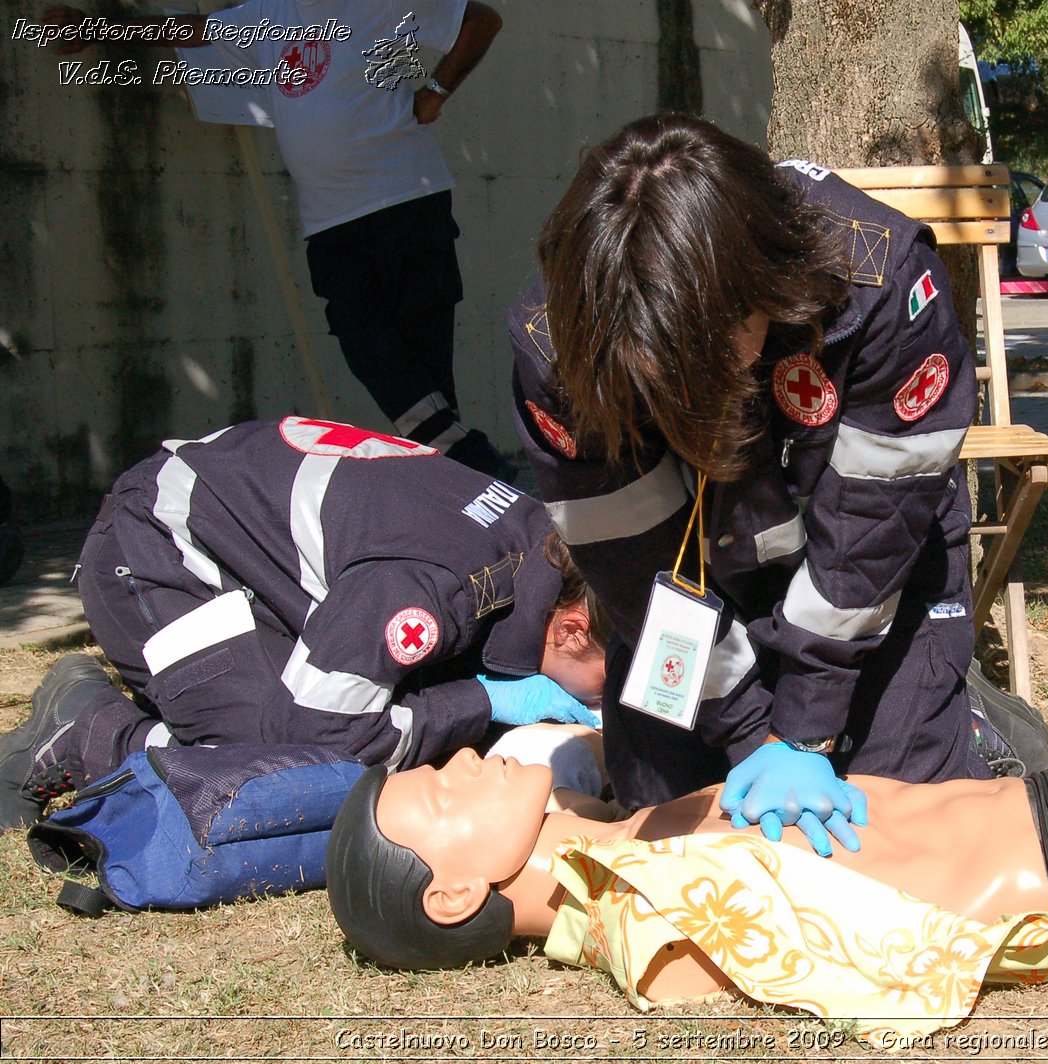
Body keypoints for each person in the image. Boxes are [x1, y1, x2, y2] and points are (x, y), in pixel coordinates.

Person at [509, 113, 989, 855]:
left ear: (763, 288)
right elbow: (632, 558)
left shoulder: (882, 280)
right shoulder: (560, 338)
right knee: (673, 830)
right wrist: (743, 727)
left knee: (888, 834)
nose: (676, 393)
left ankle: (976, 721)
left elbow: (870, 531)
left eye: (700, 362)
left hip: (867, 579)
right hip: (693, 583)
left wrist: (801, 736)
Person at [0, 417, 608, 830]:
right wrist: (478, 700)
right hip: (158, 548)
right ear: (574, 628)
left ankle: (203, 694)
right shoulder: (434, 588)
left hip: (245, 543)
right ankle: (89, 731)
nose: (608, 701)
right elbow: (320, 735)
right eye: (612, 680)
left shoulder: (537, 541)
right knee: (274, 770)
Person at [324, 747, 1048, 1045]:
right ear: (455, 895)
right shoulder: (650, 931)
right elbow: (875, 965)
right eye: (442, 793)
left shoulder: (626, 844)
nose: (464, 760)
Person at [39, 2, 516, 481]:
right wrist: (95, 27)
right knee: (366, 345)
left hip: (408, 200)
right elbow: (188, 30)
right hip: (330, 222)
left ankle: (462, 496)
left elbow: (481, 20)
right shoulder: (269, 13)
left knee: (425, 367)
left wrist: (435, 91)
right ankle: (473, 468)